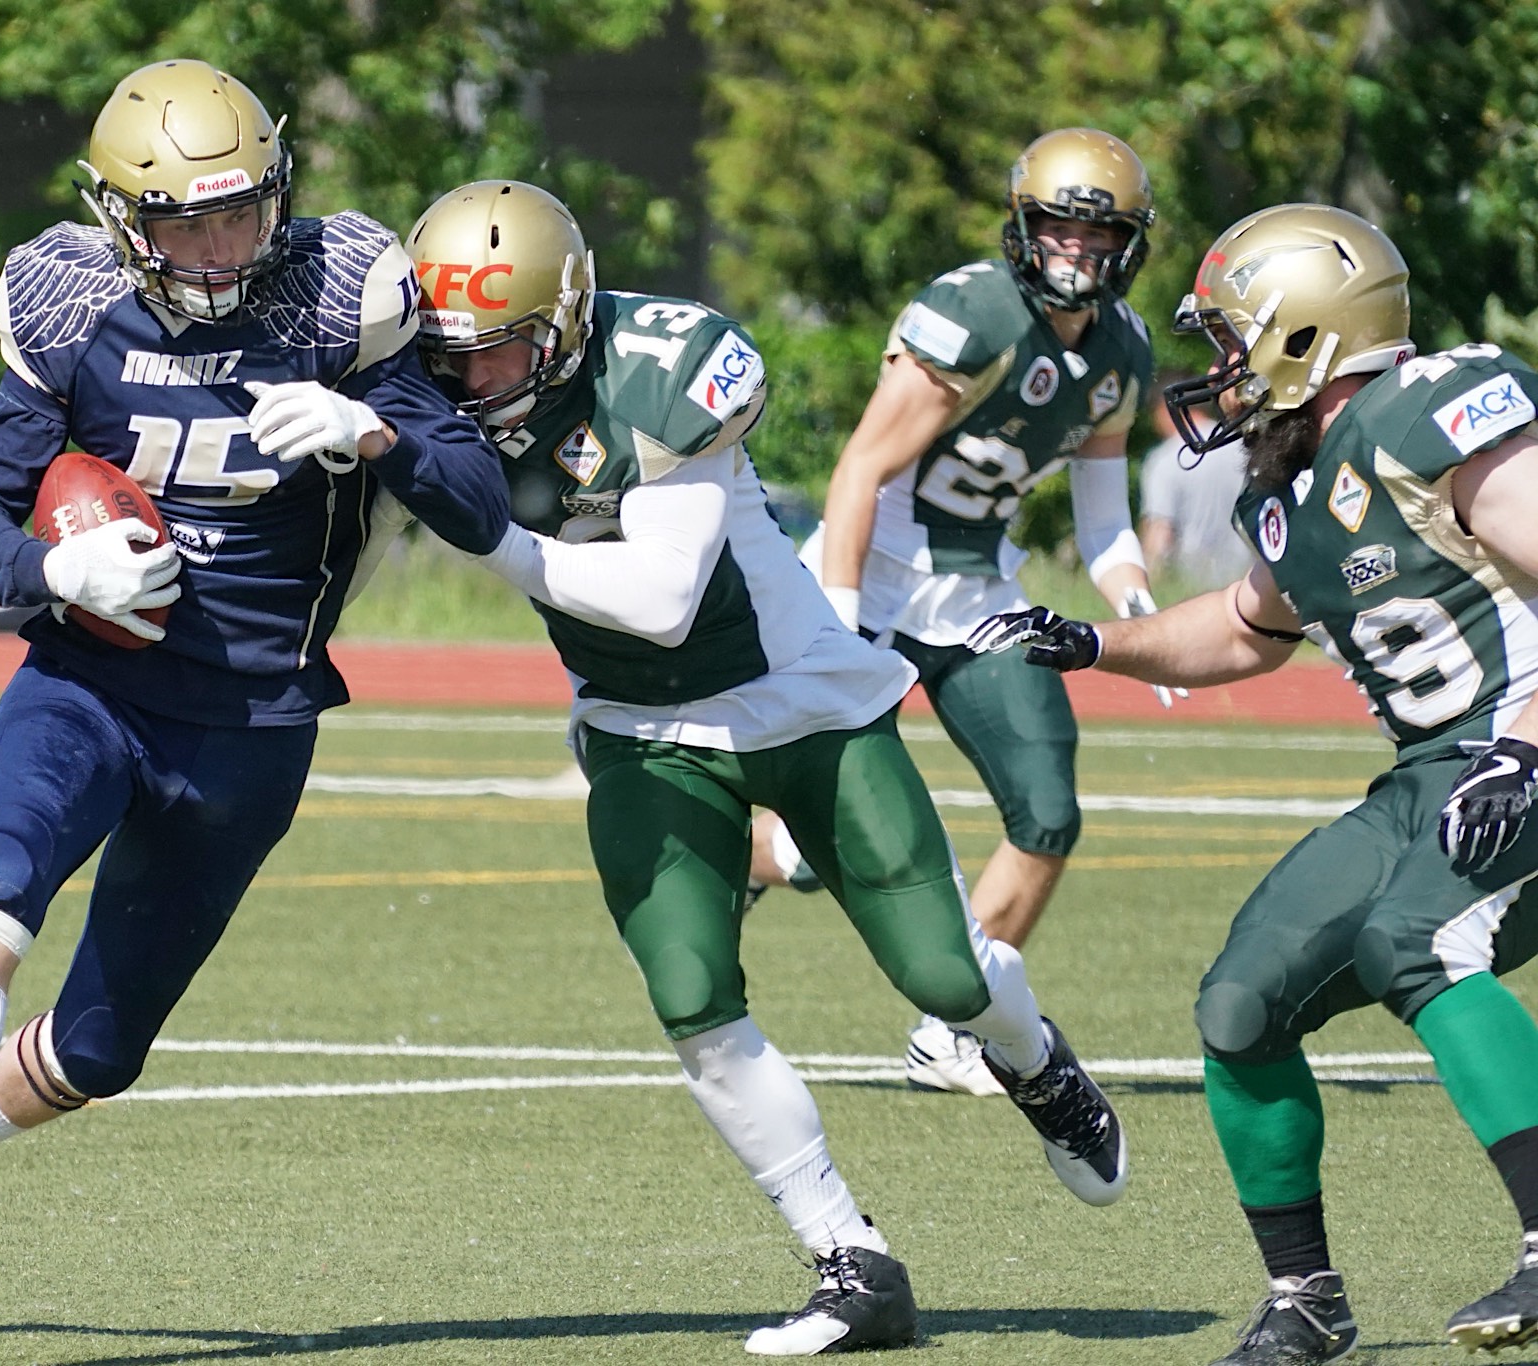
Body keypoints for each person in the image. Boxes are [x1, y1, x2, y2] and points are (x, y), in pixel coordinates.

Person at [405, 178, 1128, 1356]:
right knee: (689, 993)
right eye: (452, 356)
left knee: (943, 975)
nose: (470, 381)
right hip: (640, 727)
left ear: (569, 320)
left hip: (805, 704)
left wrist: (485, 533)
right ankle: (851, 1260)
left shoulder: (659, 365)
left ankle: (1034, 1058)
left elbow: (658, 597)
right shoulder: (421, 383)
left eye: (502, 351)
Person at [0, 60, 509, 1319]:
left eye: (238, 214)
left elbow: (475, 507)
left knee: (98, 1048)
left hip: (252, 724)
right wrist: (59, 569)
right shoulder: (73, 310)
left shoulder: (337, 305)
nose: (214, 249)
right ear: (117, 222)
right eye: (180, 222)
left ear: (281, 193)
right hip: (90, 684)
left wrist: (379, 434)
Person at [969, 203, 1538, 1362]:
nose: (1216, 368)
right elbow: (1243, 629)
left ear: (1303, 335)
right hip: (1432, 769)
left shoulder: (1435, 414)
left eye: (1231, 337)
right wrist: (1090, 645)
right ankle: (1305, 1298)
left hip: (1519, 744)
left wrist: (1525, 746)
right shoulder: (1290, 485)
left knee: (1415, 941)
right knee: (1240, 1001)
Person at [747, 129, 1174, 1098]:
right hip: (874, 574)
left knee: (1048, 810)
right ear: (1024, 228)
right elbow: (859, 467)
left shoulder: (1121, 350)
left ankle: (953, 1028)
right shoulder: (972, 311)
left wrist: (1140, 609)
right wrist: (842, 627)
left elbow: (1102, 515)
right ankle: (740, 852)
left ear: (1127, 245)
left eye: (1096, 234)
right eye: (1059, 227)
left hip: (978, 589)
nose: (1075, 250)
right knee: (815, 852)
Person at [1139, 371, 1251, 588]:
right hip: (1247, 582)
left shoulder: (1164, 459)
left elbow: (1160, 531)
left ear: (1164, 410)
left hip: (1191, 587)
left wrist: (1148, 590)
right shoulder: (1243, 445)